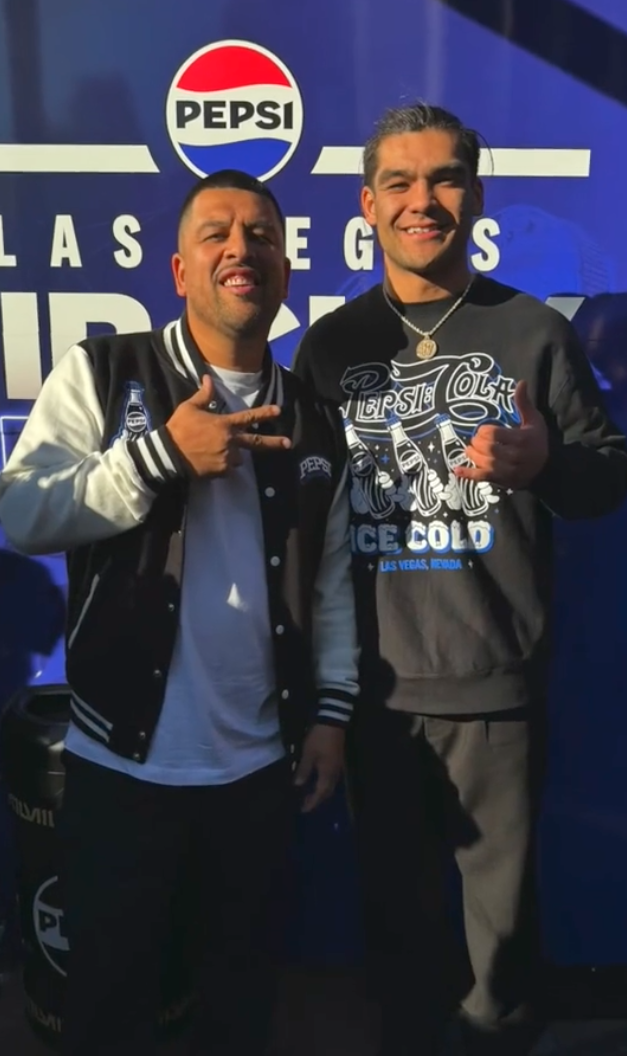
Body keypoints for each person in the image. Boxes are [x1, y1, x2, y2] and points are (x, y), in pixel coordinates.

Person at [292, 104, 627, 1056]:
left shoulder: (533, 331)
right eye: (399, 183)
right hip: (375, 697)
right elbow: (307, 523)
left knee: (501, 966)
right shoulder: (331, 346)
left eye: (444, 179)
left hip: (496, 688)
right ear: (368, 203)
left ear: (476, 195)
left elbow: (611, 475)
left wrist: (546, 464)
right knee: (397, 949)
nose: (423, 200)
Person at [0, 169, 359, 1056]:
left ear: (285, 270)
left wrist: (331, 715)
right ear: (179, 270)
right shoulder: (102, 371)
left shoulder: (317, 418)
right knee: (107, 1016)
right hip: (121, 772)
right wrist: (159, 454)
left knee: (236, 1012)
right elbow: (23, 512)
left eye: (262, 235)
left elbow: (332, 585)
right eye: (217, 234)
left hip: (259, 775)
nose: (242, 249)